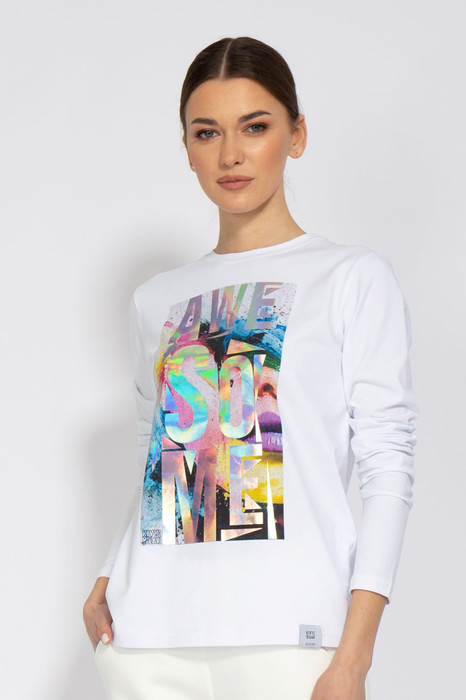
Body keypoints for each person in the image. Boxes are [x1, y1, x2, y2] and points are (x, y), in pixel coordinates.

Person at [83, 36, 418, 700]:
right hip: (147, 641)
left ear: (296, 135)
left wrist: (353, 657)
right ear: (187, 148)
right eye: (207, 132)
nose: (230, 154)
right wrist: (106, 573)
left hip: (290, 641)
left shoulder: (350, 277)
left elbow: (388, 465)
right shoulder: (155, 300)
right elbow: (159, 457)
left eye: (255, 127)